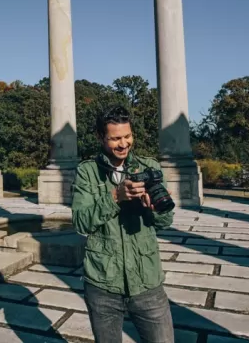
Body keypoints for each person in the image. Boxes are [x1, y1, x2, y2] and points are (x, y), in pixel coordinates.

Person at [71, 106, 175, 343]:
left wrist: (155, 208)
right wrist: (115, 197)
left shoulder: (150, 168)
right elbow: (81, 223)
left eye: (127, 136)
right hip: (103, 284)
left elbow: (165, 222)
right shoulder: (87, 172)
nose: (123, 143)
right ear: (100, 137)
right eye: (115, 138)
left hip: (147, 281)